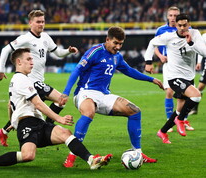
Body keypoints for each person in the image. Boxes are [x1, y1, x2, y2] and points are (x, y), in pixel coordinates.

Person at [0, 48, 112, 170]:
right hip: (27, 124)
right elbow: (38, 104)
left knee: (65, 133)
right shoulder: (20, 79)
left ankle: (91, 160)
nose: (32, 62)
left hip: (38, 123)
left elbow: (9, 104)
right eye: (29, 59)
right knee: (28, 156)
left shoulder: (21, 80)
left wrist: (11, 121)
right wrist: (58, 118)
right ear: (19, 62)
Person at [59, 26, 164, 168]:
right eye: (115, 43)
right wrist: (66, 92)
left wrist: (151, 80)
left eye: (121, 44)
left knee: (135, 111)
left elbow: (129, 71)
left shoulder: (117, 56)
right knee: (89, 113)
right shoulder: (95, 52)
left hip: (104, 94)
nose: (118, 47)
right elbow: (77, 70)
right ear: (107, 39)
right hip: (85, 92)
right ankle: (71, 156)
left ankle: (138, 153)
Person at [0, 10, 78, 147]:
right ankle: (48, 126)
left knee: (27, 110)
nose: (41, 24)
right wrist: (1, 70)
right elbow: (5, 50)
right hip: (31, 82)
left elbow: (58, 53)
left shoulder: (45, 37)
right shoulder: (25, 38)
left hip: (39, 81)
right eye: (38, 22)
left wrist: (68, 51)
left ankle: (3, 131)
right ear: (30, 23)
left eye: (43, 21)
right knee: (61, 99)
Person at [144, 14, 206, 144]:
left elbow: (204, 52)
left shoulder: (195, 34)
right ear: (176, 25)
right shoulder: (169, 36)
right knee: (196, 96)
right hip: (174, 77)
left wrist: (191, 43)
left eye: (185, 25)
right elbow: (152, 42)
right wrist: (148, 62)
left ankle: (163, 131)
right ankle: (181, 119)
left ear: (189, 25)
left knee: (179, 109)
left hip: (189, 77)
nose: (182, 28)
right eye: (180, 25)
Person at [188, 33, 206, 115]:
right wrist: (199, 62)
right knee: (201, 86)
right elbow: (200, 49)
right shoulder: (204, 36)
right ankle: (194, 108)